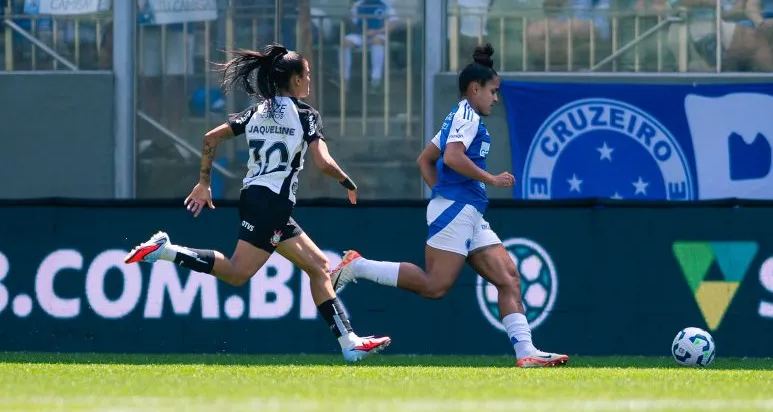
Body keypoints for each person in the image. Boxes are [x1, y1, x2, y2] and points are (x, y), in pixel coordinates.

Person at [124, 44, 391, 363]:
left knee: (319, 266)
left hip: (255, 197)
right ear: (293, 80)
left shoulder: (257, 111)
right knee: (238, 273)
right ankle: (166, 250)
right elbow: (323, 162)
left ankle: (349, 343)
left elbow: (211, 138)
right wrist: (347, 180)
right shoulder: (306, 115)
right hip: (273, 205)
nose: (309, 80)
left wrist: (204, 182)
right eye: (305, 74)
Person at [330, 43, 569, 369]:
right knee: (434, 286)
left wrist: (446, 192)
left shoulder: (458, 115)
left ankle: (526, 352)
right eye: (493, 92)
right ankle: (356, 266)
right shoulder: (467, 116)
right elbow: (453, 158)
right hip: (457, 209)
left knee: (509, 278)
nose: (496, 99)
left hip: (466, 210)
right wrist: (489, 180)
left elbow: (425, 160)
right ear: (475, 88)